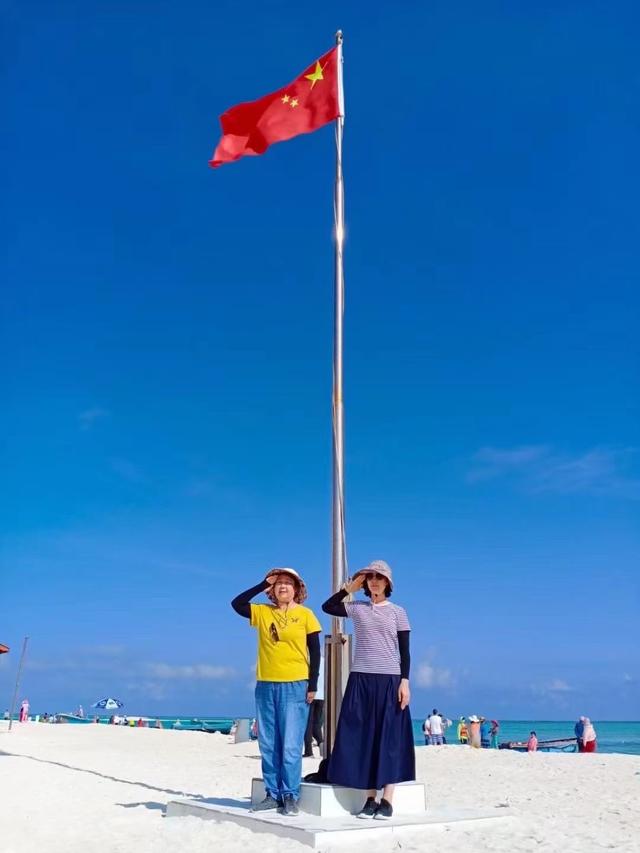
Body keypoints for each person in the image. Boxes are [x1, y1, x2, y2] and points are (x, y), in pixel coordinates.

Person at [322, 560, 415, 821]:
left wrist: (404, 682)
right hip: (361, 678)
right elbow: (327, 607)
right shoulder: (357, 608)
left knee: (389, 740)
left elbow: (405, 653)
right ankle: (369, 799)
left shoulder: (398, 612)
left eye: (379, 577)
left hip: (389, 680)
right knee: (364, 737)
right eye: (370, 577)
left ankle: (387, 799)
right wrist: (348, 588)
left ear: (388, 583)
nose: (374, 581)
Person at [232, 567, 321, 817]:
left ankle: (290, 794)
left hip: (296, 684)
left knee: (291, 744)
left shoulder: (305, 615)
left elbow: (315, 651)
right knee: (268, 743)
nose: (283, 586)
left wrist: (312, 684)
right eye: (278, 583)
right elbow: (237, 604)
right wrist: (262, 584)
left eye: (288, 583)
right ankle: (272, 794)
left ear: (297, 589)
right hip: (266, 684)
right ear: (272, 589)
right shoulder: (262, 612)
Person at [304, 653, 325, 757]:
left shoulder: (307, 659)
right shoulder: (324, 661)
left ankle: (308, 750)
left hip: (311, 694)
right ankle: (321, 744)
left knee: (308, 723)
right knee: (317, 723)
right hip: (322, 696)